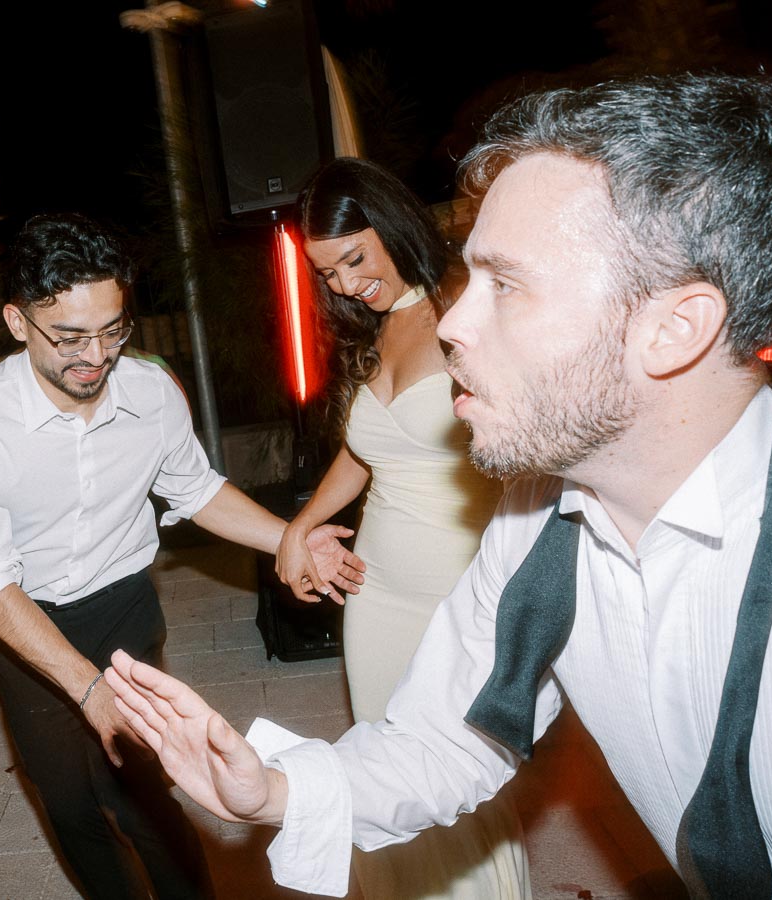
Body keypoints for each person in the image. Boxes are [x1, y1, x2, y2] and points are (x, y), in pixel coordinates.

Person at [105, 72, 772, 898]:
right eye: (472, 279)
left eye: (508, 285)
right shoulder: (537, 521)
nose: (456, 325)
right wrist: (278, 790)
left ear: (674, 326)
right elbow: (446, 738)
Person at [0, 212, 363, 900]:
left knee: (143, 791)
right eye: (69, 337)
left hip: (123, 606)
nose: (95, 356)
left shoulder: (152, 392)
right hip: (23, 620)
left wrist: (289, 537)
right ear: (16, 322)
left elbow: (195, 489)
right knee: (71, 804)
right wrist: (88, 690)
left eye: (112, 330)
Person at [273, 157, 527, 899]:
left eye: (353, 259)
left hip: (459, 593)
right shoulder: (374, 328)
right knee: (383, 772)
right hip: (376, 595)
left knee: (456, 784)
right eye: (327, 274)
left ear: (391, 223)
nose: (345, 285)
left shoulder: (464, 306)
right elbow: (367, 446)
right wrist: (304, 523)